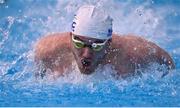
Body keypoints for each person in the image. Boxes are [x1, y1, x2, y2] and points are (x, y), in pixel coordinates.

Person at [34, 5, 175, 79]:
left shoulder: (134, 53)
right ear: (71, 37)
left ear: (108, 43)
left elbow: (168, 63)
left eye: (96, 45)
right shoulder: (47, 50)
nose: (86, 54)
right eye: (78, 43)